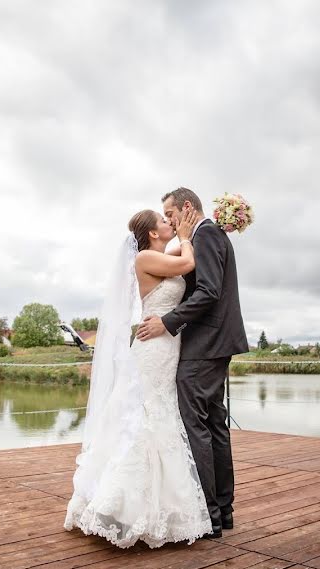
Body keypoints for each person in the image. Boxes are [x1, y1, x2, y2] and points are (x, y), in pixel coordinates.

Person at [64, 205, 214, 548]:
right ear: (150, 233)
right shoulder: (145, 258)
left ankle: (162, 512)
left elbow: (180, 251)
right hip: (153, 348)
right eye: (164, 221)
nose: (169, 223)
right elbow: (187, 262)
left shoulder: (160, 253)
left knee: (159, 414)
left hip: (166, 346)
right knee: (146, 417)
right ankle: (118, 504)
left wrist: (199, 228)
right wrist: (187, 236)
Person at [136, 187, 249, 538]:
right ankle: (222, 511)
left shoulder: (207, 234)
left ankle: (210, 514)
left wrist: (168, 322)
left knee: (196, 423)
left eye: (169, 213)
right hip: (210, 342)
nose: (168, 220)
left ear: (186, 208)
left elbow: (208, 291)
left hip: (206, 344)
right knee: (214, 423)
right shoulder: (197, 237)